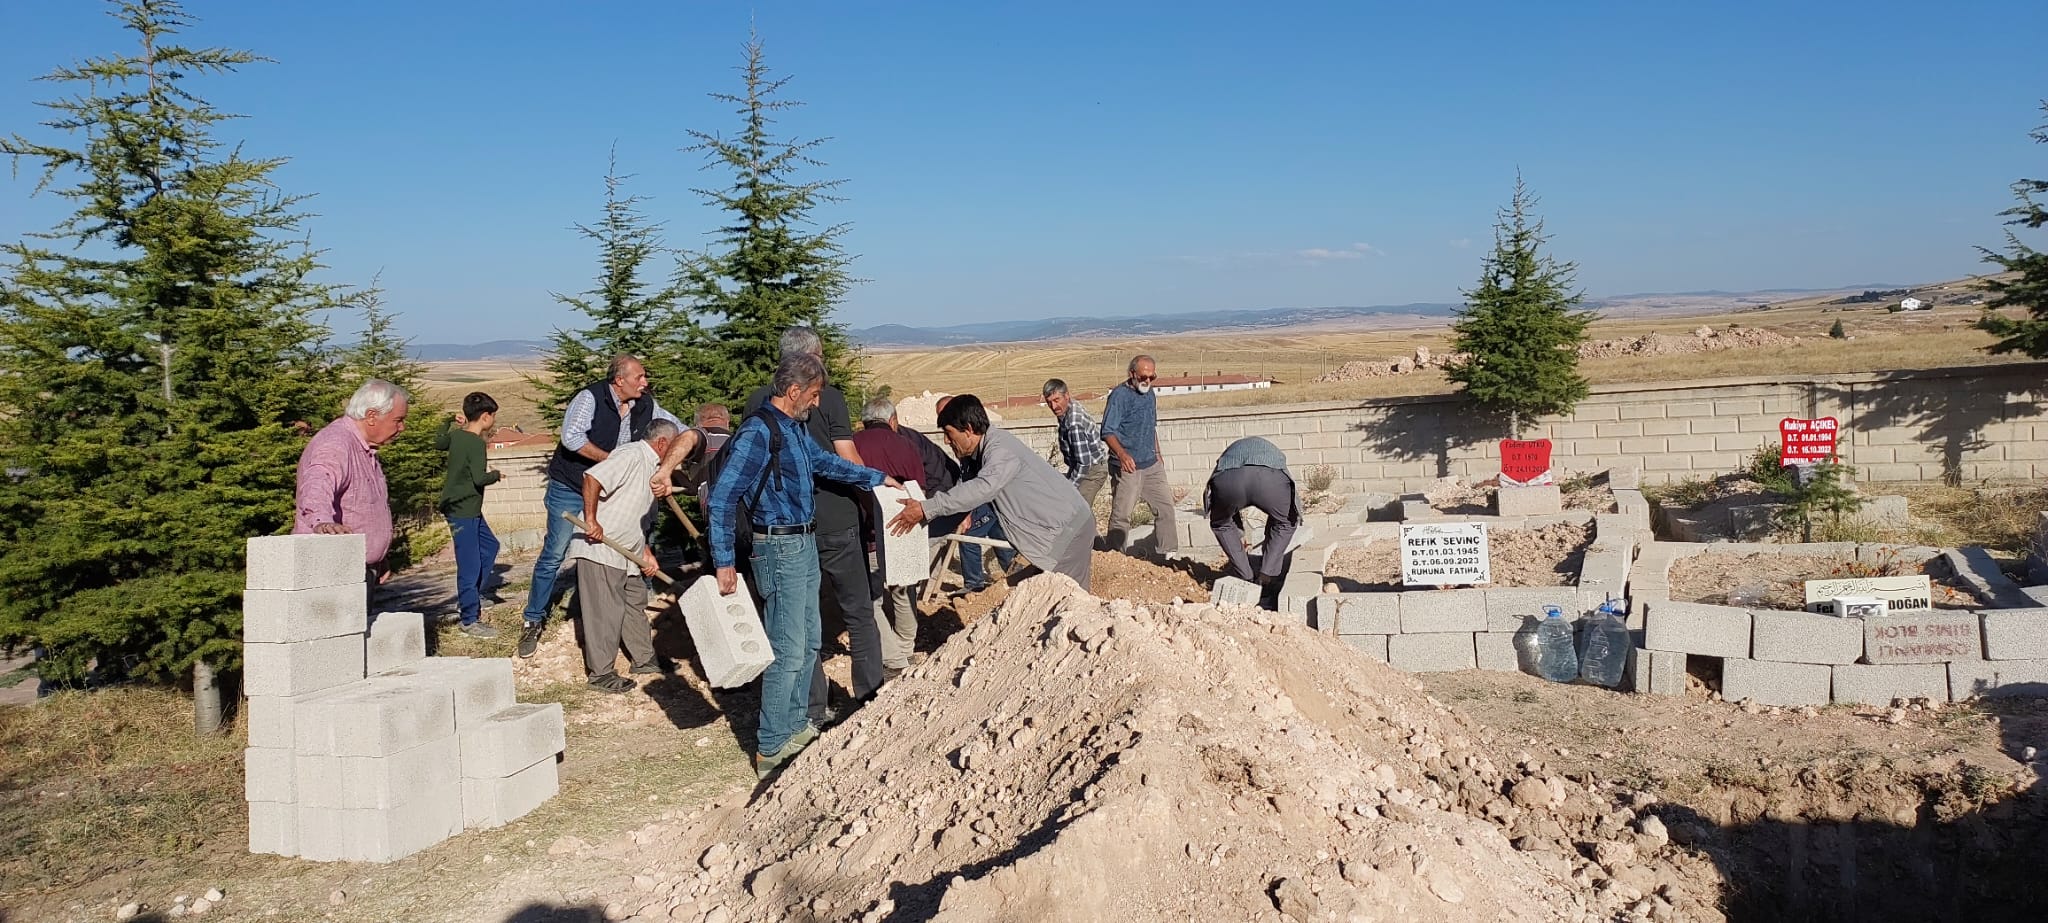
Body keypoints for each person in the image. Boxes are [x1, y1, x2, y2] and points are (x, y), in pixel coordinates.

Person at [710, 354, 893, 779]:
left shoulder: (794, 429)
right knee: (788, 650)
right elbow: (722, 498)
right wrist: (723, 562)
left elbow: (823, 463)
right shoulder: (758, 432)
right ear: (794, 391)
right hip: (778, 549)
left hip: (804, 542)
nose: (815, 402)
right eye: (812, 395)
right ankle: (772, 744)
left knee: (809, 642)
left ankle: (796, 727)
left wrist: (877, 479)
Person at [743, 328, 884, 719]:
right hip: (837, 518)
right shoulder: (832, 398)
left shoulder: (757, 401)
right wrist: (872, 499)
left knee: (803, 620)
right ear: (811, 360)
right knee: (858, 611)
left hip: (785, 525)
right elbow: (846, 455)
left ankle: (813, 707)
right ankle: (870, 696)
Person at [520, 355, 693, 658]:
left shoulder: (646, 405)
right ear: (619, 380)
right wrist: (612, 462)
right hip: (573, 486)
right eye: (639, 377)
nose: (645, 382)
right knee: (556, 553)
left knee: (634, 543)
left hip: (613, 491)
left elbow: (678, 430)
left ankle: (632, 609)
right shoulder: (590, 398)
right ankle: (533, 618)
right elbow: (572, 437)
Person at [888, 395, 1094, 588]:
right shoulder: (975, 458)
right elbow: (961, 504)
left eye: (949, 434)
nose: (946, 441)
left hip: (1067, 534)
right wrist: (914, 541)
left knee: (1068, 601)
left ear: (968, 429)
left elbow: (982, 489)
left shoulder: (1000, 450)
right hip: (1052, 534)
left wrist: (926, 508)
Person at [569, 420, 680, 693]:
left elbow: (637, 518)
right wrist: (592, 520)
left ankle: (644, 660)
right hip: (600, 548)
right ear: (663, 443)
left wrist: (646, 552)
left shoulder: (654, 470)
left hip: (629, 550)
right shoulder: (631, 455)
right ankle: (601, 674)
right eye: (675, 446)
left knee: (634, 603)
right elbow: (592, 477)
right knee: (605, 611)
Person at [294, 379, 410, 595]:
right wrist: (322, 521)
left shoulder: (362, 447)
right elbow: (317, 484)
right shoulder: (336, 444)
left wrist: (378, 556)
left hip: (358, 567)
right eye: (398, 420)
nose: (402, 427)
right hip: (335, 570)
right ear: (372, 416)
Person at [850, 397, 931, 678]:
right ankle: (905, 648)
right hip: (902, 530)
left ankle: (893, 657)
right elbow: (919, 488)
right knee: (903, 589)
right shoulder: (906, 445)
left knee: (870, 600)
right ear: (892, 420)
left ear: (864, 421)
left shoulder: (853, 444)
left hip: (866, 534)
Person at [1205, 436, 1300, 608]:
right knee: (1284, 523)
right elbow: (1284, 517)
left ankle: (1245, 576)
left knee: (1221, 524)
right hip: (1270, 480)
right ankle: (1266, 577)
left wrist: (1239, 535)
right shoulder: (1273, 454)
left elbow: (1226, 515)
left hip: (1228, 481)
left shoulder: (1228, 456)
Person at [438, 392, 503, 638]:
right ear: (485, 417)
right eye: (493, 416)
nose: (494, 421)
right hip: (463, 509)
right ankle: (469, 618)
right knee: (470, 564)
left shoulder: (456, 436)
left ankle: (473, 596)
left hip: (465, 508)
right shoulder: (476, 443)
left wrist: (446, 420)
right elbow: (479, 478)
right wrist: (495, 475)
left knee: (490, 546)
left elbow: (438, 442)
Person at [1101, 354, 1177, 555]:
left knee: (1166, 510)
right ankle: (1115, 558)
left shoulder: (1150, 395)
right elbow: (1107, 431)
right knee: (1122, 515)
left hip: (1151, 464)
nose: (1147, 381)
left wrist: (1158, 452)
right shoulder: (1119, 396)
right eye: (1143, 377)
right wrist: (1122, 455)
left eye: (1152, 377)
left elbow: (1151, 426)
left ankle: (1167, 555)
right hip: (1128, 466)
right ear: (1132, 374)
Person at [1043, 378, 1109, 511]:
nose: (1053, 407)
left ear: (1066, 396)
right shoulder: (1069, 408)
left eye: (1057, 400)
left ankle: (1089, 532)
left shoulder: (1074, 424)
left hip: (1092, 471)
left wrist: (1070, 487)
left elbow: (1084, 463)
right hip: (1082, 467)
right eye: (1049, 402)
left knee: (1078, 512)